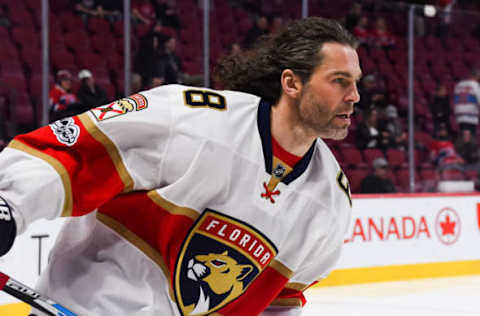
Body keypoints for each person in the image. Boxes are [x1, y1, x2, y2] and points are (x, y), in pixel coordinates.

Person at [0, 17, 360, 315]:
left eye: (355, 83)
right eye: (339, 81)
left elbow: (280, 303)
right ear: (292, 83)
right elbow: (71, 152)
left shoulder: (330, 203)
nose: (354, 96)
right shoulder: (189, 118)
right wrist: (8, 206)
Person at [453, 68, 480, 136]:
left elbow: (455, 100)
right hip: (471, 115)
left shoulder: (459, 85)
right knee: (470, 138)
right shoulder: (475, 85)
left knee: (463, 136)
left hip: (460, 115)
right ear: (476, 76)